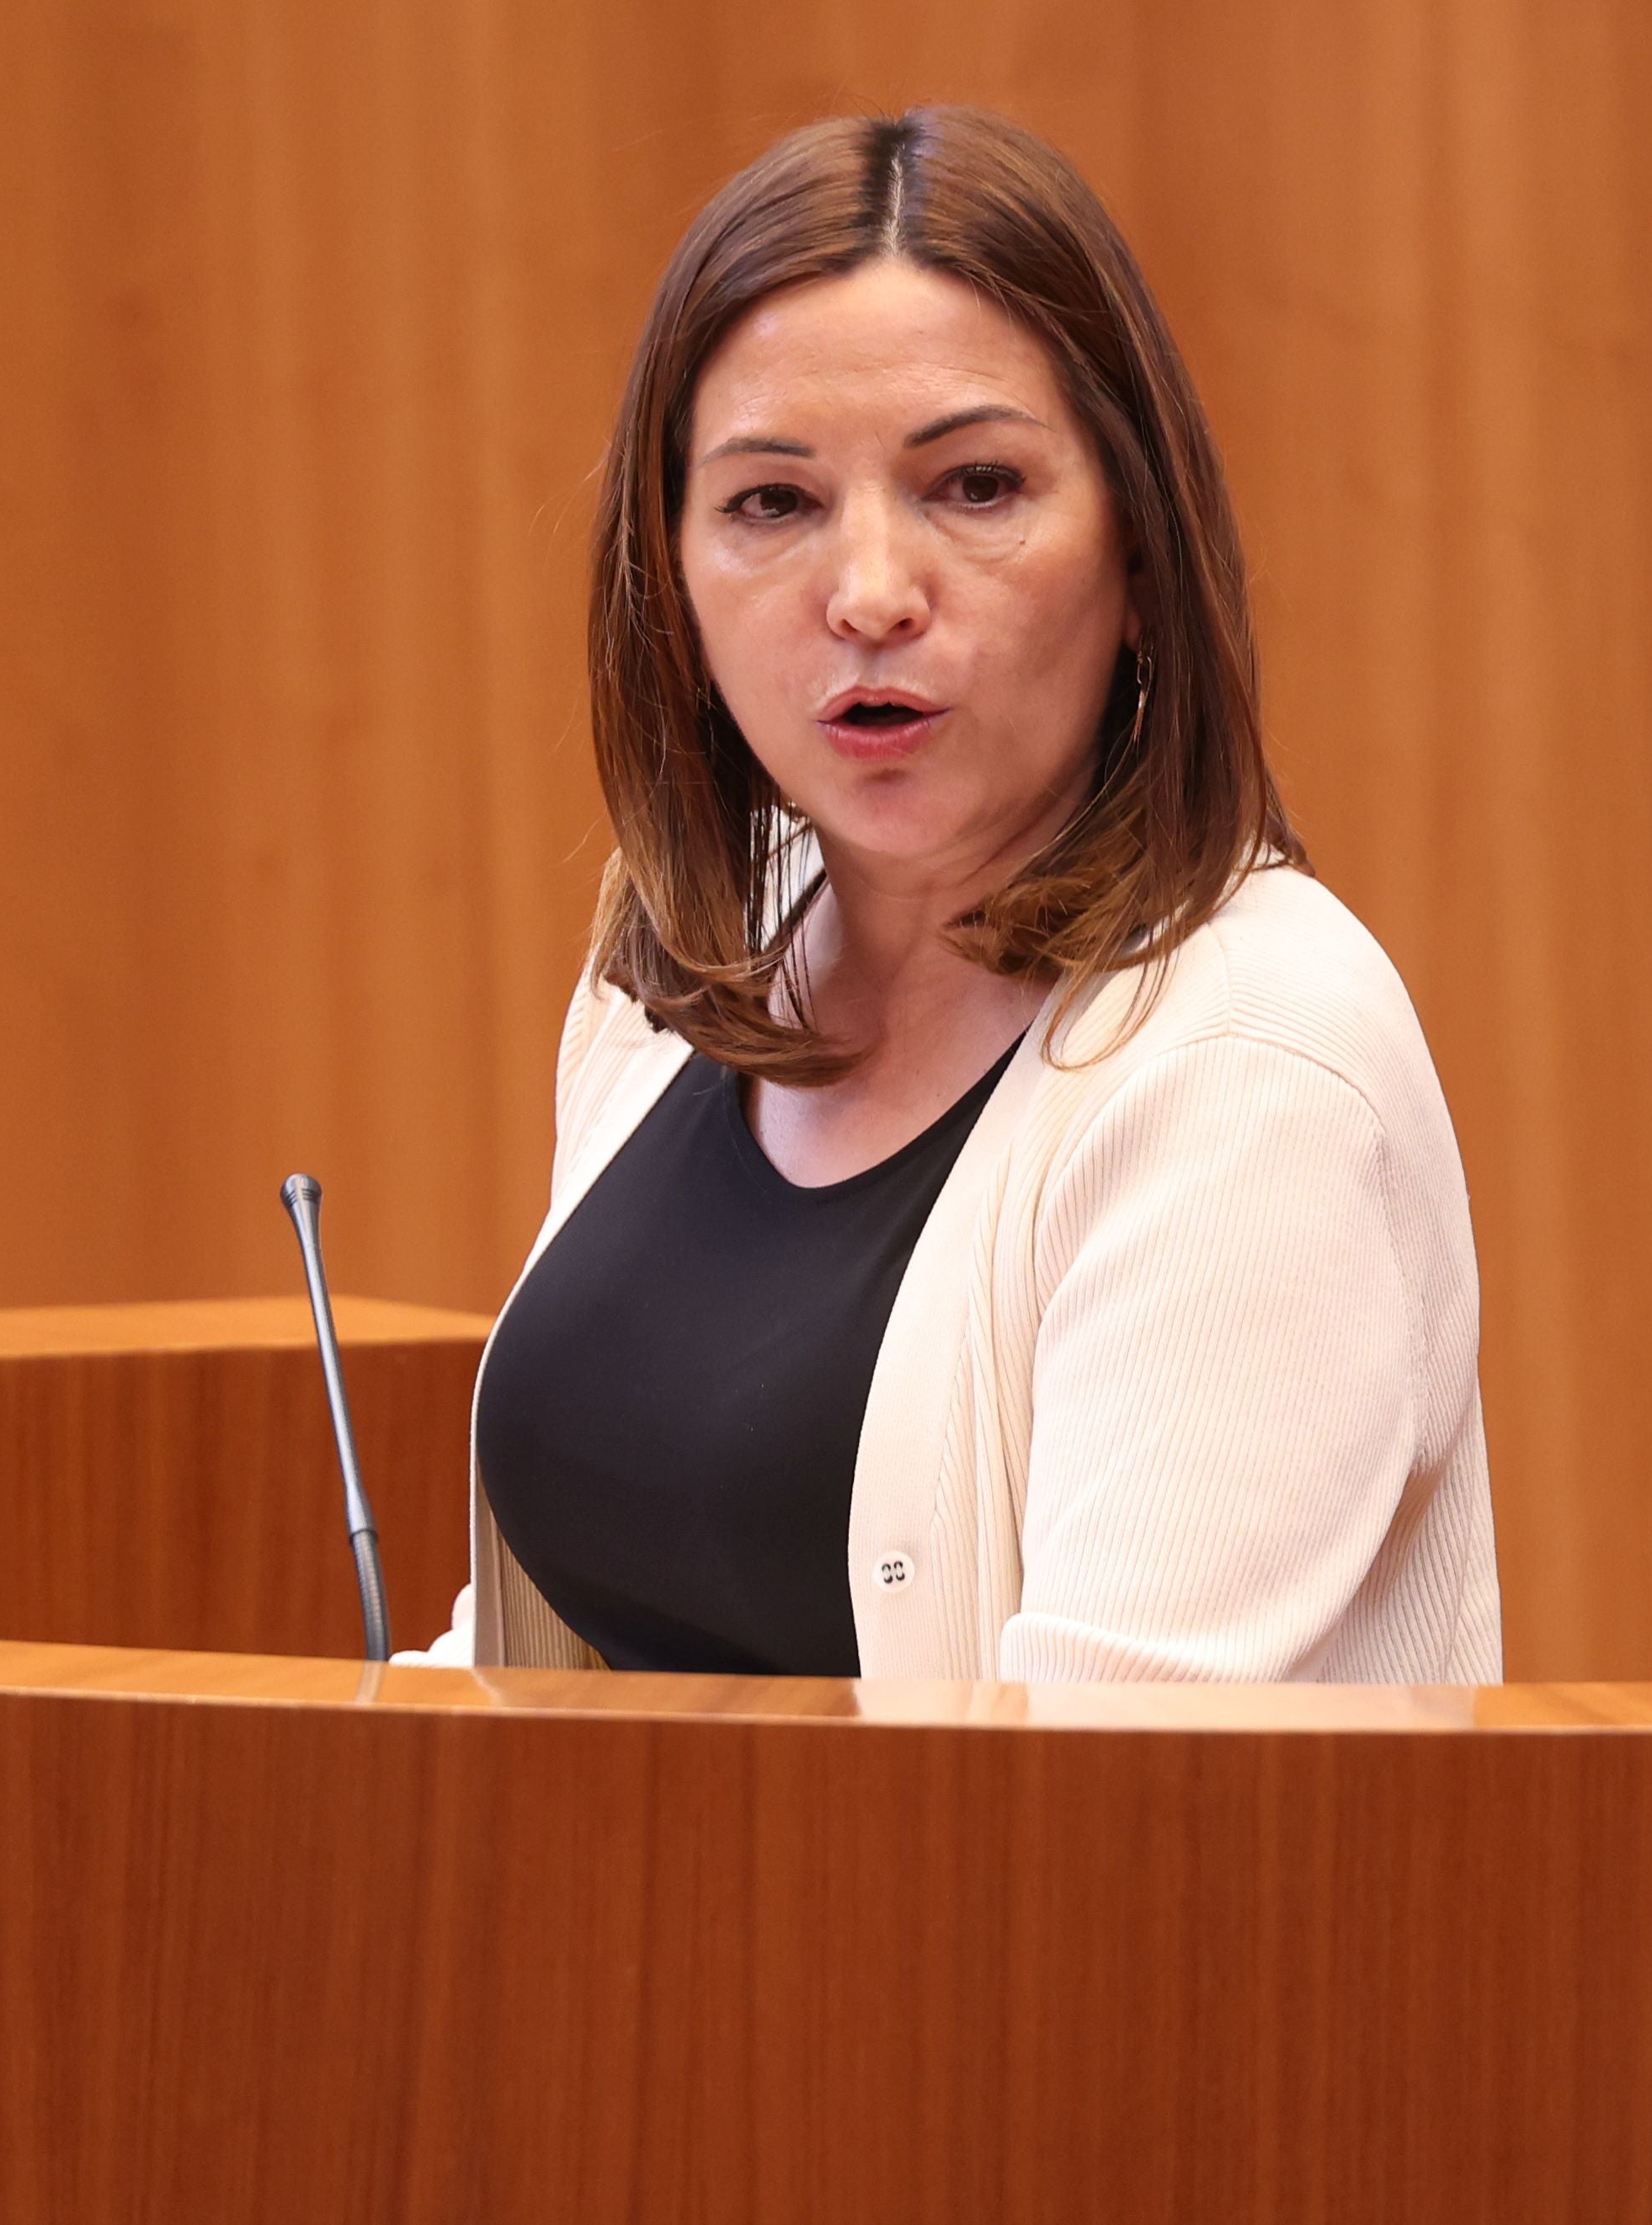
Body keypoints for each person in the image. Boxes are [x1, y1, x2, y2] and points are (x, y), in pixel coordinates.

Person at [409, 106, 1500, 1683]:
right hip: (636, 1930)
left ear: (1141, 560)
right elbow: (557, 1653)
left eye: (975, 487)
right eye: (771, 503)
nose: (866, 594)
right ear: (672, 582)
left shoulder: (1252, 1065)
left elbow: (1084, 1812)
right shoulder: (686, 972)